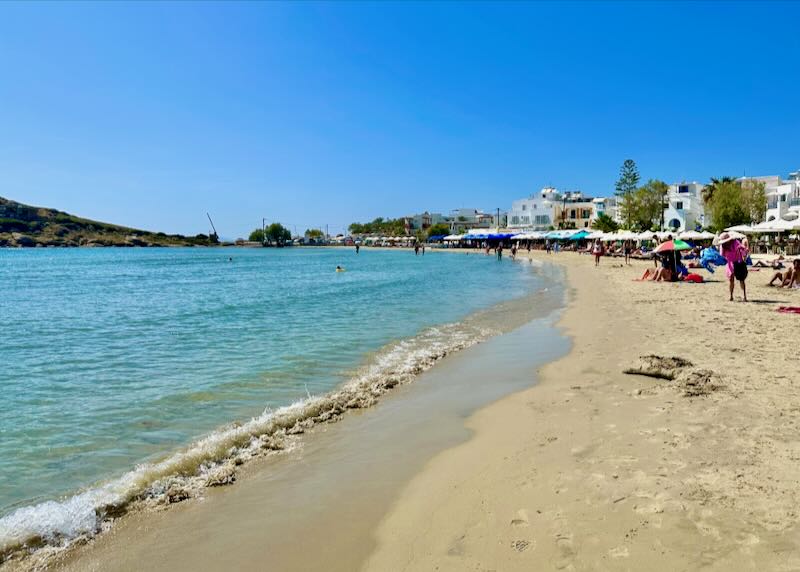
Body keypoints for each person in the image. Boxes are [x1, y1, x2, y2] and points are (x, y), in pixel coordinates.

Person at [718, 232, 749, 302]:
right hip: (730, 263)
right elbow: (722, 255)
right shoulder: (723, 246)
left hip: (739, 262)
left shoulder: (735, 242)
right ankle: (731, 296)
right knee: (731, 279)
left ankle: (744, 296)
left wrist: (743, 250)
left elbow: (742, 248)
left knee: (741, 280)